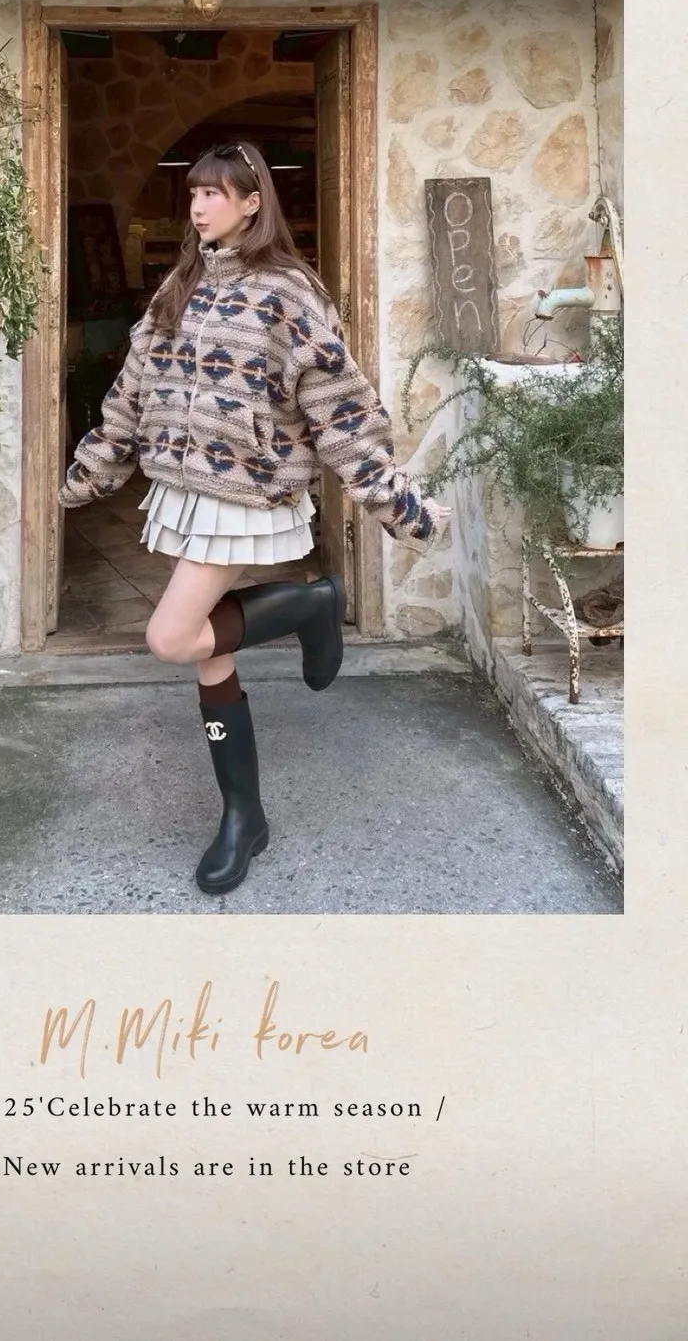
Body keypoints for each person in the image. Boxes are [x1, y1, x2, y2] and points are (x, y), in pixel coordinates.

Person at [59, 141, 450, 896]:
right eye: (194, 193)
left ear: (252, 202)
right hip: (183, 485)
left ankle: (310, 604)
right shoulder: (181, 285)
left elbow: (342, 411)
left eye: (216, 193)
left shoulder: (289, 293)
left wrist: (396, 503)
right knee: (209, 654)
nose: (199, 205)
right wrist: (87, 473)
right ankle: (244, 816)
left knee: (171, 636)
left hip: (244, 489)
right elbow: (131, 392)